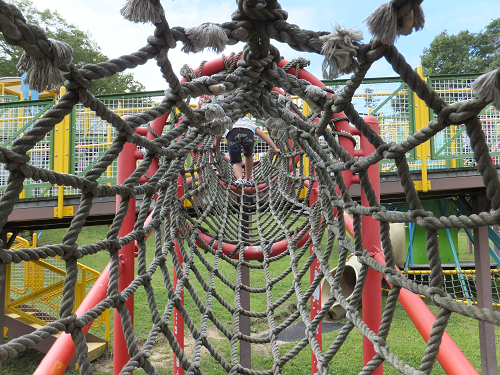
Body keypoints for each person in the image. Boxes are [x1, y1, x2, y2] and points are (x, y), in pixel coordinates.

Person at [214, 117, 281, 186]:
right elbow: (263, 135)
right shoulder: (247, 120)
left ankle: (239, 179)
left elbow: (218, 135)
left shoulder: (226, 120)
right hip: (248, 133)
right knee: (248, 155)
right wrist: (275, 148)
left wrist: (216, 147)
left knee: (235, 160)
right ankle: (248, 179)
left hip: (232, 134)